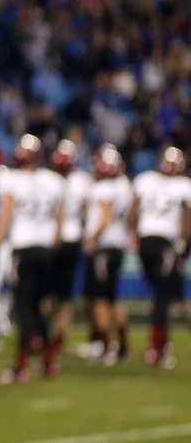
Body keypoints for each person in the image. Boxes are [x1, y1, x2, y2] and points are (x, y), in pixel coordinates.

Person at [0, 134, 66, 383]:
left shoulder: (11, 180)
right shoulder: (53, 181)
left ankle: (21, 366)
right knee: (39, 307)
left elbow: (5, 217)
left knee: (23, 308)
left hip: (23, 250)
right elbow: (59, 222)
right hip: (46, 250)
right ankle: (47, 362)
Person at [129, 145, 191, 368]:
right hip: (166, 245)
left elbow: (133, 212)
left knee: (165, 292)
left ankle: (158, 345)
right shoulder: (183, 186)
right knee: (165, 296)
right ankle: (158, 347)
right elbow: (187, 220)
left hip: (146, 243)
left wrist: (134, 236)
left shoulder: (145, 180)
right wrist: (183, 245)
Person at [77, 143, 134, 365]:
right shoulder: (124, 186)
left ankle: (105, 345)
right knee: (112, 298)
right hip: (117, 245)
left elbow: (104, 217)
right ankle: (123, 344)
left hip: (104, 247)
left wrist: (91, 238)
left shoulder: (105, 188)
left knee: (99, 299)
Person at [46, 139, 92, 364]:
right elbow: (86, 211)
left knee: (50, 294)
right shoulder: (82, 181)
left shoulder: (48, 179)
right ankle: (56, 340)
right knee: (63, 296)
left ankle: (47, 338)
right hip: (71, 239)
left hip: (53, 240)